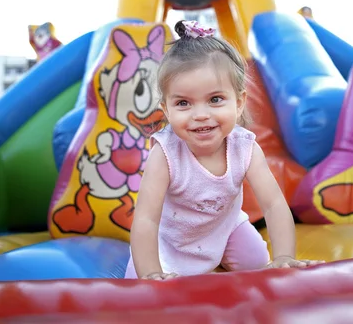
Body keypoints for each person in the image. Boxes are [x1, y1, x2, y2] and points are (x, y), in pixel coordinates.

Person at [125, 20, 324, 280]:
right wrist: (150, 272)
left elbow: (274, 204)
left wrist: (284, 257)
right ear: (166, 110)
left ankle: (224, 260)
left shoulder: (245, 148)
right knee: (140, 287)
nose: (201, 115)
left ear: (239, 102)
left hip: (225, 229)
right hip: (171, 244)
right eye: (183, 103)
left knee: (256, 260)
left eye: (215, 100)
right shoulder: (165, 154)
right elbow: (146, 220)